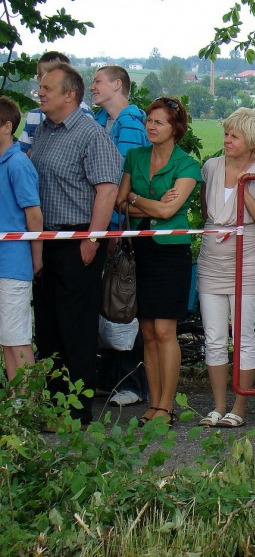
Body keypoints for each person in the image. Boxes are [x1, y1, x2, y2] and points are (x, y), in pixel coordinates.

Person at [30, 63, 122, 427]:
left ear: (70, 94)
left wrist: (93, 237)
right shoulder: (45, 131)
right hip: (46, 242)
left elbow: (108, 189)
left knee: (76, 328)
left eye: (47, 87)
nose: (40, 92)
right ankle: (54, 405)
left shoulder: (90, 134)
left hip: (77, 241)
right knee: (49, 327)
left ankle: (77, 409)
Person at [116, 97, 202, 426]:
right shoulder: (134, 156)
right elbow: (121, 203)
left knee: (166, 330)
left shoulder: (186, 165)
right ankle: (153, 404)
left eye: (158, 122)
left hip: (170, 252)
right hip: (139, 250)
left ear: (175, 128)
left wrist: (138, 201)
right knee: (147, 331)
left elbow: (168, 213)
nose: (150, 126)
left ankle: (166, 407)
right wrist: (144, 201)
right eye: (149, 120)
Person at [197, 108, 255, 428]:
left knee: (244, 336)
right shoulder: (211, 166)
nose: (227, 140)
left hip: (244, 266)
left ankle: (240, 406)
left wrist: (246, 191)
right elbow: (206, 209)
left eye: (234, 135)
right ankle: (217, 406)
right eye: (226, 133)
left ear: (252, 142)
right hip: (210, 264)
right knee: (214, 337)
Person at [90, 65, 149, 407]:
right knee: (106, 301)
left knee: (123, 301)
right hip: (106, 224)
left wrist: (111, 228)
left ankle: (131, 382)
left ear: (117, 85)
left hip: (120, 227)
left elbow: (117, 178)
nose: (92, 86)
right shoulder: (102, 120)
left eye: (98, 81)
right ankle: (111, 378)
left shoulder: (128, 122)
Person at [0, 97, 42, 391]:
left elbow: (34, 215)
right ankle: (16, 404)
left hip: (13, 263)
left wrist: (36, 258)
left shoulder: (17, 163)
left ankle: (29, 404)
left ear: (6, 127)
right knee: (6, 339)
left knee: (17, 338)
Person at [19, 51, 93, 154]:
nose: (40, 93)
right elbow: (22, 152)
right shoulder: (36, 119)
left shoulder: (86, 118)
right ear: (39, 79)